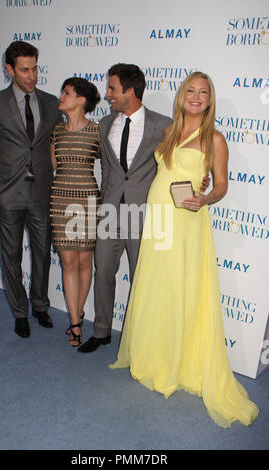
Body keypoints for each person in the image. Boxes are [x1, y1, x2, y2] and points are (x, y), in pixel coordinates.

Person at [109, 72, 259, 427]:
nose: (195, 96)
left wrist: (205, 197)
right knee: (156, 287)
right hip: (158, 217)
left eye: (203, 92)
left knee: (181, 290)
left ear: (210, 100)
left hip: (188, 221)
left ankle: (177, 362)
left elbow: (221, 184)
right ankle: (152, 356)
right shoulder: (168, 132)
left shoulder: (216, 140)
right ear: (181, 96)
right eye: (190, 90)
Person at [78, 63, 208, 353]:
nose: (108, 94)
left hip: (148, 216)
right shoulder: (105, 124)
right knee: (104, 273)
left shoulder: (163, 125)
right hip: (110, 213)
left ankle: (141, 338)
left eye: (112, 88)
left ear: (130, 91)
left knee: (144, 278)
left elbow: (182, 161)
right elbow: (109, 170)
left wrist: (203, 178)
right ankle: (101, 332)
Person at [0, 41, 59, 338]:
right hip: (8, 193)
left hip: (41, 192)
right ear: (9, 69)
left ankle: (40, 305)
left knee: (42, 254)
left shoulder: (51, 103)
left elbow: (58, 143)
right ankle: (19, 311)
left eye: (35, 68)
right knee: (10, 256)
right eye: (24, 70)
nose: (32, 76)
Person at [50, 77, 101, 347]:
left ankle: (78, 314)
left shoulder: (97, 131)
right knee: (68, 262)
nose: (61, 96)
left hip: (88, 202)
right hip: (60, 201)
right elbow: (51, 166)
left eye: (67, 93)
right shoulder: (56, 131)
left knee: (84, 263)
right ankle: (74, 321)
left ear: (81, 100)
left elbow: (118, 167)